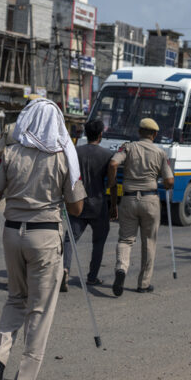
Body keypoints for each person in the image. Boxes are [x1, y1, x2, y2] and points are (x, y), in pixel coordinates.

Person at [0, 98, 86, 380]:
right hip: (45, 237)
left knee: (15, 298)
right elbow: (76, 208)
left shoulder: (10, 150)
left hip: (12, 232)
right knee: (39, 310)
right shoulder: (64, 156)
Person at [108, 118, 174, 296]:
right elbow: (169, 181)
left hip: (129, 199)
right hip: (150, 200)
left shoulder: (128, 147)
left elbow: (113, 163)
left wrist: (113, 185)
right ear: (154, 134)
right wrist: (166, 185)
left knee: (125, 240)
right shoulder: (160, 153)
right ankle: (143, 284)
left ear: (139, 132)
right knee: (149, 242)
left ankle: (121, 269)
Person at [61, 118, 114, 290]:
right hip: (99, 206)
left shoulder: (75, 152)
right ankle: (92, 277)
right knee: (98, 242)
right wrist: (114, 206)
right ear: (100, 135)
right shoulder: (107, 155)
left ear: (85, 133)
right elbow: (111, 183)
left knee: (70, 240)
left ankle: (64, 269)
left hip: (78, 203)